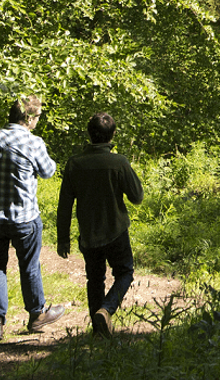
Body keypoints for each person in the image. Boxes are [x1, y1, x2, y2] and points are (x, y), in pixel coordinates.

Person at [0, 96, 68, 343]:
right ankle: (36, 314)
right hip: (25, 218)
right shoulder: (33, 142)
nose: (38, 121)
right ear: (28, 118)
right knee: (29, 266)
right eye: (38, 117)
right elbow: (48, 171)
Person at [55, 112, 143, 336]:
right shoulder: (118, 162)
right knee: (125, 273)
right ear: (112, 134)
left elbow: (64, 205)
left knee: (95, 279)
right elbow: (137, 196)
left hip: (89, 234)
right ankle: (106, 309)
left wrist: (63, 239)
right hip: (116, 230)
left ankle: (98, 332)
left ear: (89, 134)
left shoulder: (75, 164)